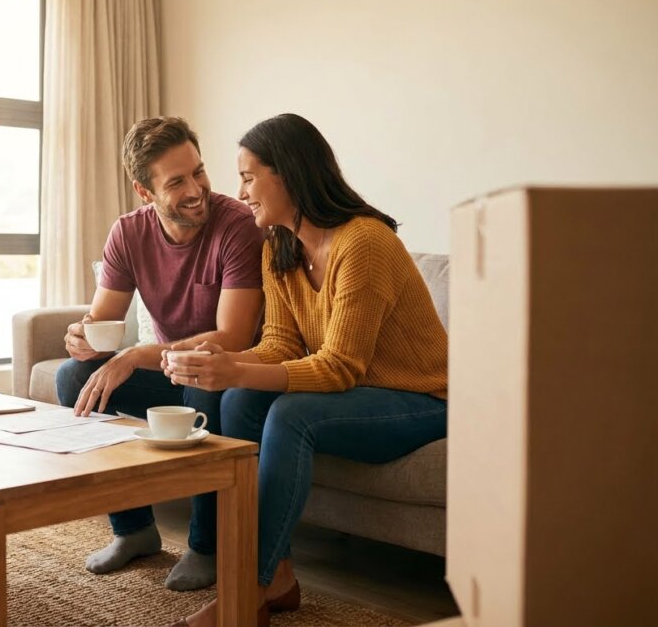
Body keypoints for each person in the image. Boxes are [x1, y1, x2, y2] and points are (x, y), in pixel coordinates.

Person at [163, 113, 448, 626]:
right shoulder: (280, 246)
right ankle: (281, 575)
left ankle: (248, 588)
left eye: (249, 176)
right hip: (360, 395)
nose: (241, 191)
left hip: (421, 400)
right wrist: (223, 363)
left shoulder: (364, 243)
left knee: (292, 414)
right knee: (239, 400)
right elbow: (281, 345)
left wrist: (237, 369)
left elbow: (339, 367)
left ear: (289, 174)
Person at [57, 116, 265, 591]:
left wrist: (136, 354)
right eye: (177, 181)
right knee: (75, 376)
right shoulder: (128, 233)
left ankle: (206, 546)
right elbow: (101, 320)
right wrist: (83, 338)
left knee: (211, 386)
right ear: (144, 191)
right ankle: (134, 531)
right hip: (170, 370)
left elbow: (232, 337)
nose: (197, 189)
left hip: (226, 370)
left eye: (198, 171)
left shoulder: (238, 228)